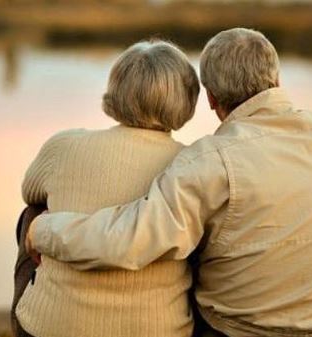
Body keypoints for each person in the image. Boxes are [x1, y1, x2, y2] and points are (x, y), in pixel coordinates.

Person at [27, 28, 312, 337]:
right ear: (277, 81)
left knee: (191, 233)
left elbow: (133, 239)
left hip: (241, 330)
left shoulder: (209, 160)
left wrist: (42, 231)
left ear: (210, 99)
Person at [15, 39, 201, 337]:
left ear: (116, 92)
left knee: (33, 212)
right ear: (187, 99)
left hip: (49, 329)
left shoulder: (64, 145)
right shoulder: (193, 163)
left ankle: (49, 301)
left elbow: (30, 190)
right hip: (160, 330)